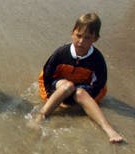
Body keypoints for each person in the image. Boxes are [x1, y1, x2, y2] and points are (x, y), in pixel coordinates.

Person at [34, 13, 124, 143]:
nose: (81, 42)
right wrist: (48, 96)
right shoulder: (61, 53)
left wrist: (80, 103)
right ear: (72, 33)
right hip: (59, 87)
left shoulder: (97, 59)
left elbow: (99, 86)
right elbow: (46, 76)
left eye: (87, 38)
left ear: (95, 39)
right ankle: (41, 115)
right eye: (79, 36)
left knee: (80, 92)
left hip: (82, 90)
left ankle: (108, 128)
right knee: (67, 86)